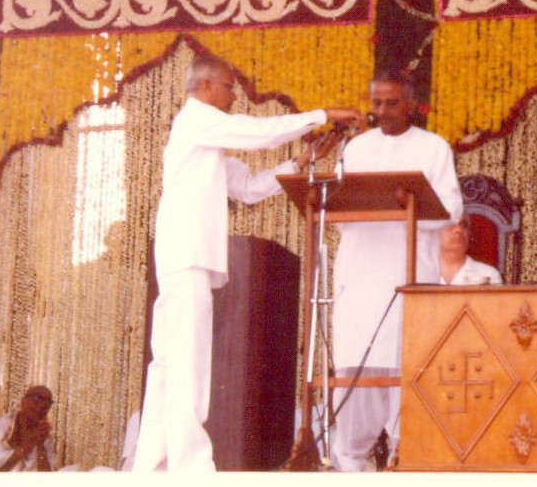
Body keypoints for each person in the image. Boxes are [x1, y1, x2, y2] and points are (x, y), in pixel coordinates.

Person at [134, 55, 363, 472]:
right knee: (187, 362)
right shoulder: (196, 118)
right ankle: (190, 468)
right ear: (205, 86)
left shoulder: (205, 140)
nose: (234, 95)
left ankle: (152, 466)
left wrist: (300, 163)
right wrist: (322, 115)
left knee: (169, 364)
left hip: (184, 257)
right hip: (186, 256)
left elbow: (249, 188)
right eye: (228, 86)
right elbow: (260, 134)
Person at [331, 69, 463, 471]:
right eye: (376, 103)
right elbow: (338, 208)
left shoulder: (433, 147)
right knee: (357, 367)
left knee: (406, 366)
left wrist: (411, 203)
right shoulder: (355, 148)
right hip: (360, 275)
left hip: (409, 273)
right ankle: (349, 465)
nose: (383, 111)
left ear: (411, 105)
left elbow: (452, 208)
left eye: (392, 103)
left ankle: (403, 463)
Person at [0, 385, 56, 472]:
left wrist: (40, 446)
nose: (42, 405)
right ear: (23, 401)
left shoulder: (44, 434)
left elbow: (47, 475)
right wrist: (26, 447)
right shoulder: (2, 426)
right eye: (37, 399)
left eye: (47, 403)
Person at [439, 214, 502, 285]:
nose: (459, 230)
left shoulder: (488, 274)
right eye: (450, 224)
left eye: (464, 225)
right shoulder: (427, 272)